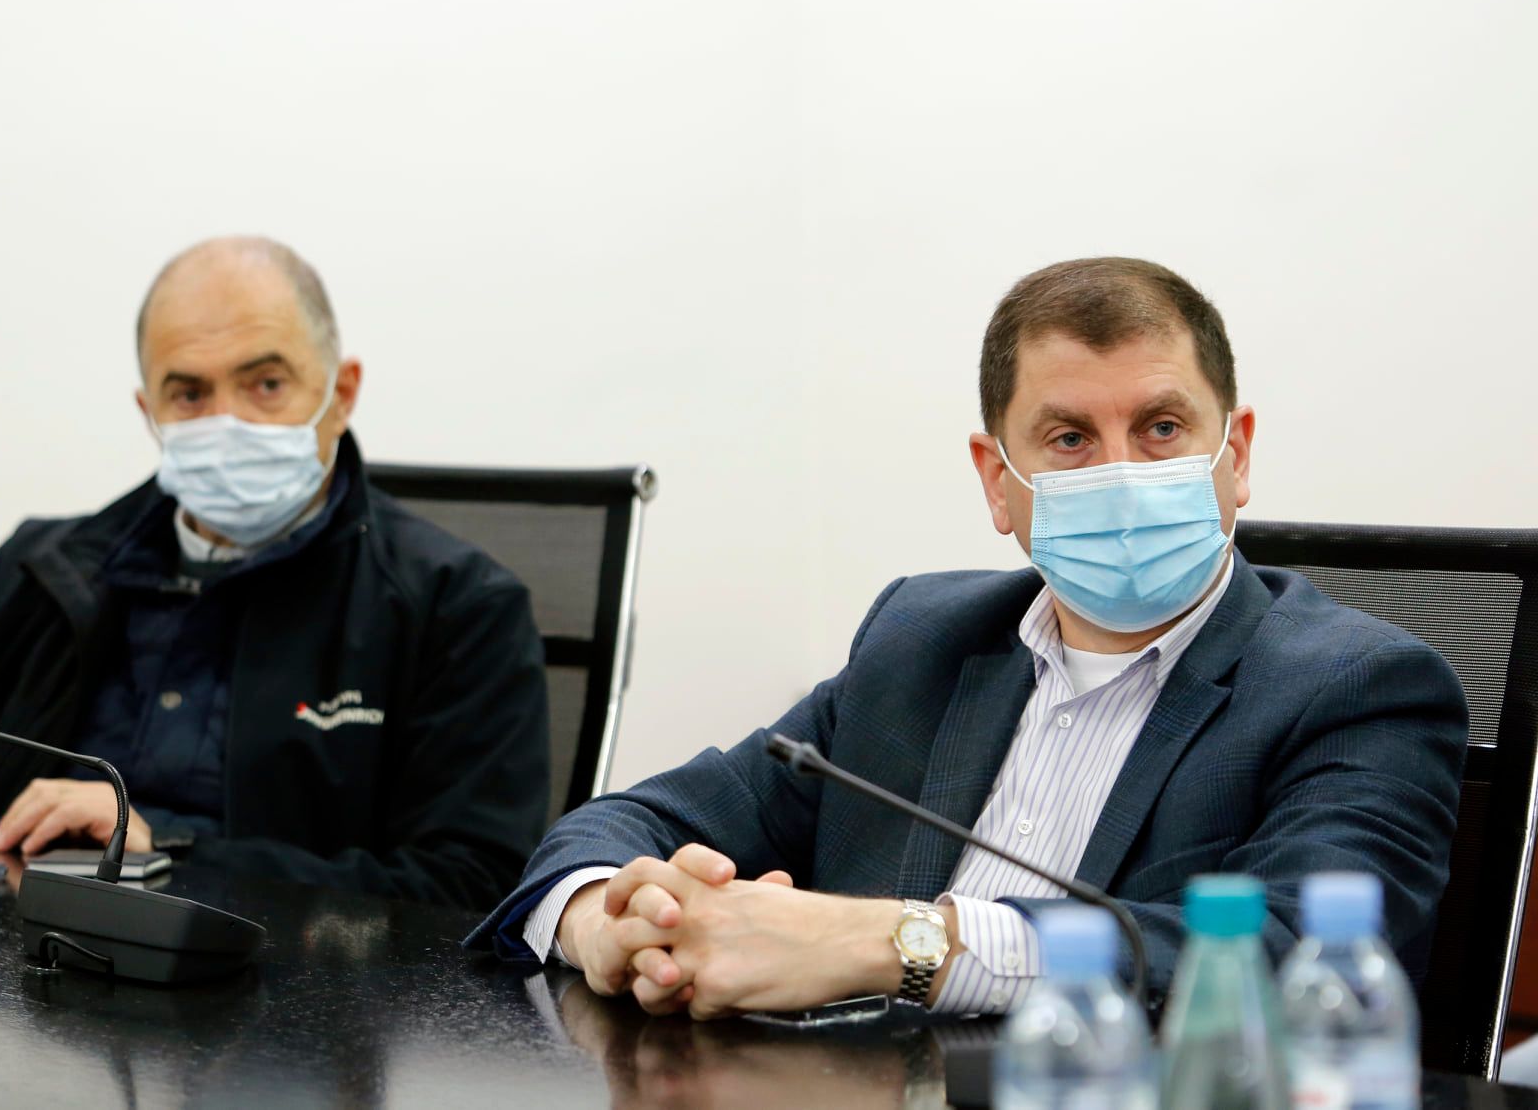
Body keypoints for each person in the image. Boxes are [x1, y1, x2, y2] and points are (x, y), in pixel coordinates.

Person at [469, 256, 1467, 1019]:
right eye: (1069, 439)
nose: (1121, 471)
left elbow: (1293, 960)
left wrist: (894, 942)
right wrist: (606, 919)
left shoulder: (1360, 685)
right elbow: (633, 819)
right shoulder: (923, 639)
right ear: (998, 480)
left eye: (1161, 427)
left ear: (1234, 453)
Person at [0, 236, 549, 910]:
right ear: (148, 412)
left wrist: (166, 846)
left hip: (277, 1014)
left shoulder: (457, 607)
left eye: (265, 383)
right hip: (3, 991)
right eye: (187, 394)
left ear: (341, 392)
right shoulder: (50, 571)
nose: (226, 420)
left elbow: (471, 889)